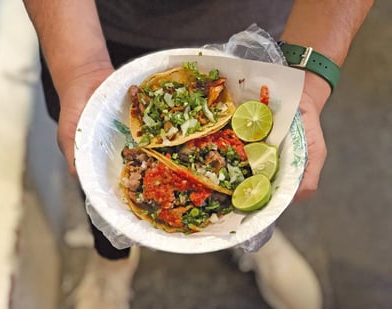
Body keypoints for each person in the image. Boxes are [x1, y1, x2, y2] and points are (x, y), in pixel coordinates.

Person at [22, 1, 374, 308]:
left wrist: (309, 79)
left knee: (268, 151)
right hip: (102, 26)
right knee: (99, 167)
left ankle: (252, 232)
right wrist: (79, 67)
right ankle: (111, 263)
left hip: (264, 24)